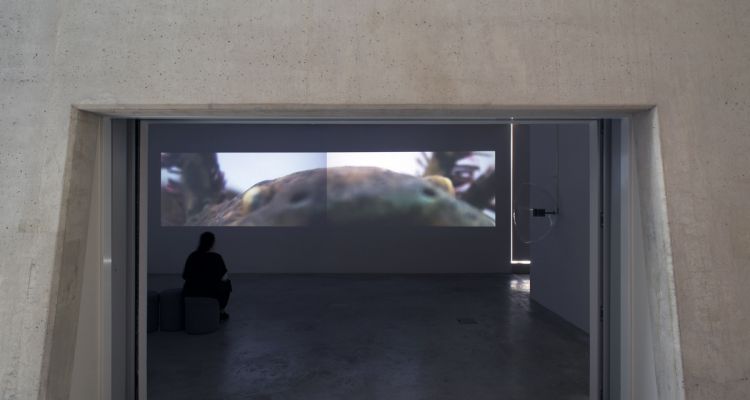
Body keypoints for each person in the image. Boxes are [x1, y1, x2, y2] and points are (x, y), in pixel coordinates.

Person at [183, 232, 232, 321]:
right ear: (212, 243)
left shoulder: (192, 256)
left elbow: (185, 276)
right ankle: (221, 311)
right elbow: (224, 277)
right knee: (227, 284)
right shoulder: (216, 257)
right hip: (211, 293)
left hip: (192, 292)